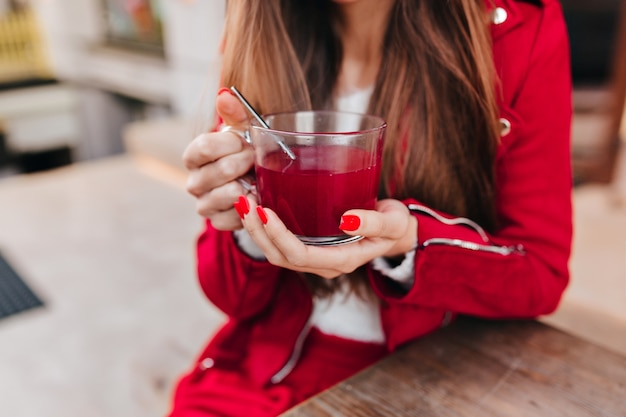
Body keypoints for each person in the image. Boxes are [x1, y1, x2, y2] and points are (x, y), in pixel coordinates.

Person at [169, 0, 572, 415]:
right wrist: (246, 217)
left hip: (421, 376)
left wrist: (411, 243)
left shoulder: (518, 31)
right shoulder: (260, 27)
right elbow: (229, 296)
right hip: (264, 373)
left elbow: (540, 272)